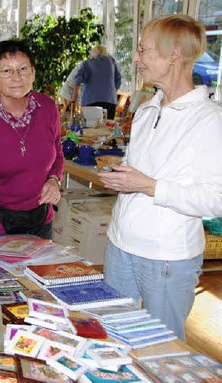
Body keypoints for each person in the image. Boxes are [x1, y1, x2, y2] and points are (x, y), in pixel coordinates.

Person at [97, 14, 222, 341]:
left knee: (160, 351)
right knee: (113, 338)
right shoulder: (147, 110)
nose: (136, 59)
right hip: (119, 246)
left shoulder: (209, 120)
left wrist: (148, 186)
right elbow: (145, 171)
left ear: (174, 55)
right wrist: (122, 177)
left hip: (166, 259)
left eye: (144, 51)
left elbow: (216, 199)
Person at [0, 39, 64, 253]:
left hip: (40, 219)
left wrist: (54, 180)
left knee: (37, 283)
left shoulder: (48, 108)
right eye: (7, 71)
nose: (17, 77)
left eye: (23, 69)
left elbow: (58, 155)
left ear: (33, 72)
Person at [73, 44, 122, 119]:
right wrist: (111, 92)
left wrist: (74, 98)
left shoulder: (87, 63)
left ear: (93, 54)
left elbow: (77, 80)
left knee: (90, 128)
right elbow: (118, 79)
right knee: (108, 127)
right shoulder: (111, 61)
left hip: (91, 101)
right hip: (110, 101)